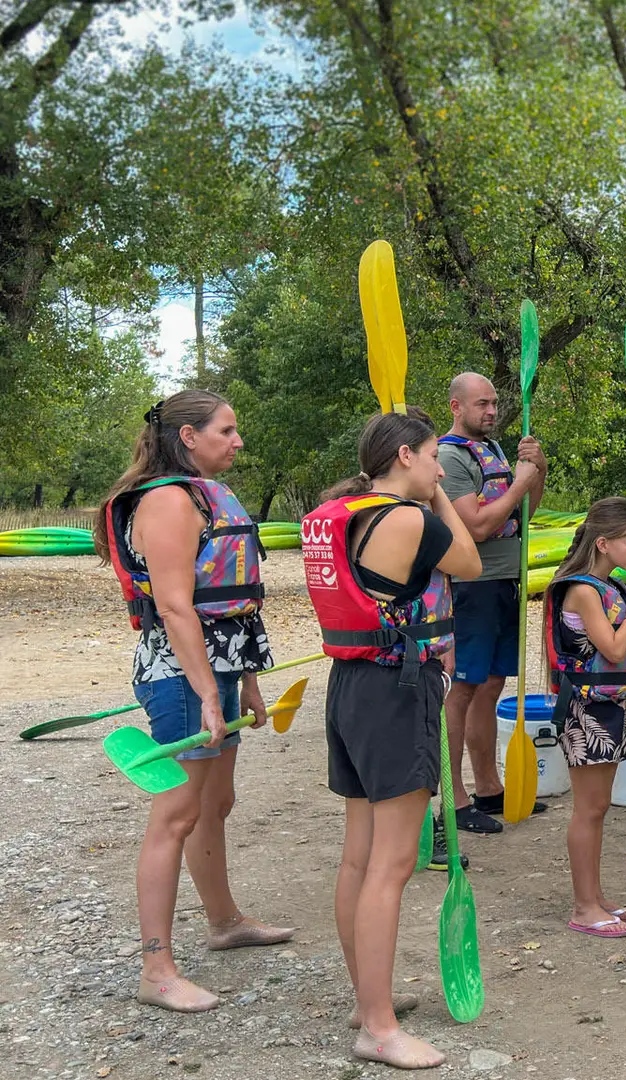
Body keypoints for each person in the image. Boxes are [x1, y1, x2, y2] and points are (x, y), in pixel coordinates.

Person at [96, 390, 293, 1014]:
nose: (238, 442)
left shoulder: (206, 495)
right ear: (188, 437)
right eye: (227, 431)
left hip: (217, 671)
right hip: (181, 676)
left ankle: (224, 921)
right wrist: (209, 693)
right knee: (177, 812)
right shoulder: (166, 501)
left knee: (216, 803)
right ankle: (156, 969)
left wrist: (248, 682)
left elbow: (229, 601)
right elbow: (178, 607)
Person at [304, 408, 481, 1068]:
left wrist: (425, 487)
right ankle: (377, 1028)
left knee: (360, 856)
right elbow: (466, 561)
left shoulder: (350, 512)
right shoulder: (408, 518)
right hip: (397, 693)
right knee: (393, 864)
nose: (442, 467)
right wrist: (436, 495)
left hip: (351, 685)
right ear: (405, 456)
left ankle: (366, 999)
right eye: (434, 455)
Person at [544, 498, 626, 937]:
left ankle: (596, 897)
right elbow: (613, 649)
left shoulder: (612, 586)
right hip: (585, 710)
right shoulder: (582, 589)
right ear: (603, 543)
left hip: (611, 707)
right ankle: (583, 906)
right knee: (588, 808)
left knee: (599, 807)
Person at [438, 372, 547, 833]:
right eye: (482, 403)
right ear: (456, 407)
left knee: (491, 685)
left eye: (494, 402)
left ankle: (488, 788)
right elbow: (476, 526)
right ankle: (454, 796)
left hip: (505, 579)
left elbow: (527, 511)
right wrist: (521, 483)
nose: (491, 410)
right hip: (471, 584)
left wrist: (537, 471)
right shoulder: (447, 455)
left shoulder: (497, 450)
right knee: (462, 687)